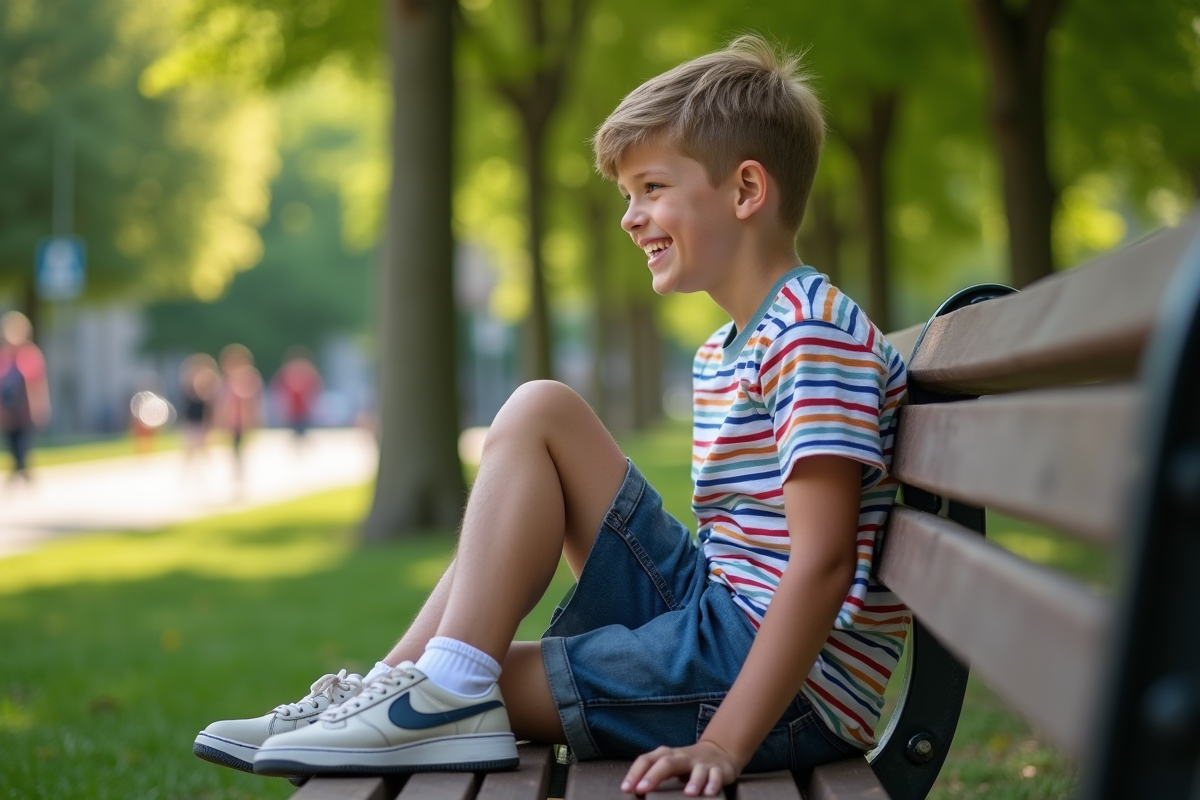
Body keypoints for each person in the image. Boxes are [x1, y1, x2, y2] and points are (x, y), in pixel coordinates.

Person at [193, 35, 909, 796]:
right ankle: (397, 687)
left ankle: (424, 695)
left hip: (790, 688)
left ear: (745, 191)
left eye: (653, 188)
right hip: (720, 609)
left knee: (482, 673)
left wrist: (727, 743)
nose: (632, 218)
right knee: (542, 410)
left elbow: (823, 560)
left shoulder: (808, 333)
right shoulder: (733, 344)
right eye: (628, 196)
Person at [0, 311, 51, 483]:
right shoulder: (4, 356)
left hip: (25, 409)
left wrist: (41, 406)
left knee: (24, 440)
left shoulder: (30, 355)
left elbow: (38, 383)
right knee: (12, 441)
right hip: (8, 409)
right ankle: (19, 468)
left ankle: (22, 468)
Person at [214, 344, 263, 494]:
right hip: (231, 421)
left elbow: (252, 402)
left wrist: (254, 420)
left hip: (242, 421)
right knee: (234, 449)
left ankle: (239, 476)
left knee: (238, 448)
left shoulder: (248, 378)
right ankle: (237, 475)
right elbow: (221, 403)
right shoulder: (227, 380)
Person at [271, 346, 323, 444]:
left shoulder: (307, 372)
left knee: (301, 430)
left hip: (303, 409)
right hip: (293, 409)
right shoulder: (287, 372)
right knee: (297, 431)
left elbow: (315, 389)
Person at [178, 353, 220, 473]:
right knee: (191, 450)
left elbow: (210, 407)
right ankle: (189, 473)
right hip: (192, 422)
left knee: (203, 449)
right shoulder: (190, 386)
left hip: (201, 422)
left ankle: (206, 473)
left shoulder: (209, 388)